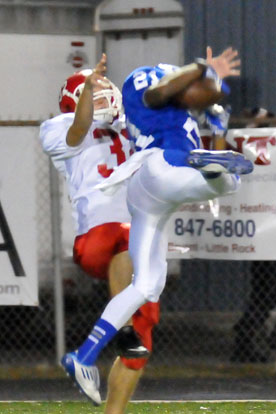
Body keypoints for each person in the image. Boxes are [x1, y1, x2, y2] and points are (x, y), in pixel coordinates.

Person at [61, 46, 254, 402]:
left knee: (147, 285)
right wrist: (200, 67)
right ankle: (206, 162)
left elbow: (194, 96)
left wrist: (217, 123)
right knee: (231, 179)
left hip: (148, 195)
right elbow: (160, 90)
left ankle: (83, 355)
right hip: (161, 167)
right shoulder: (148, 84)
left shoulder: (178, 114)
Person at [39, 53, 159, 413]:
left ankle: (113, 408)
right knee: (127, 235)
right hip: (97, 233)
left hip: (135, 230)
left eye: (105, 88)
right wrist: (88, 94)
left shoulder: (129, 125)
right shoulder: (58, 126)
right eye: (92, 91)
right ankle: (117, 330)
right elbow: (78, 131)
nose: (103, 94)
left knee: (145, 330)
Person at [230, 108, 276, 363]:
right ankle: (245, 337)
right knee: (267, 289)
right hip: (263, 231)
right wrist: (253, 125)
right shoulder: (245, 152)